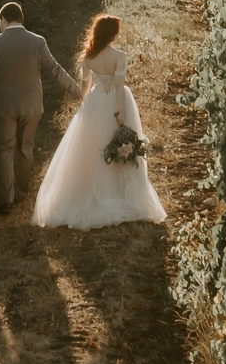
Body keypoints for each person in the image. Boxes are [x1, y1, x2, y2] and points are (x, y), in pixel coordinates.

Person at [33, 13, 167, 230]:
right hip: (114, 100)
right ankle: (118, 190)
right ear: (113, 34)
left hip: (96, 100)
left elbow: (85, 87)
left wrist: (86, 108)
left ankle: (90, 188)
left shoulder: (89, 57)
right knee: (117, 141)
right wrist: (120, 114)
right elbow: (119, 87)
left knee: (91, 146)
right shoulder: (119, 56)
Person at [0, 2, 81, 214]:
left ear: (3, 20)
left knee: (4, 151)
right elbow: (55, 70)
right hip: (31, 106)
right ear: (21, 19)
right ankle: (22, 194)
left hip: (3, 107)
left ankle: (6, 201)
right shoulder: (37, 42)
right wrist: (77, 92)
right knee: (25, 149)